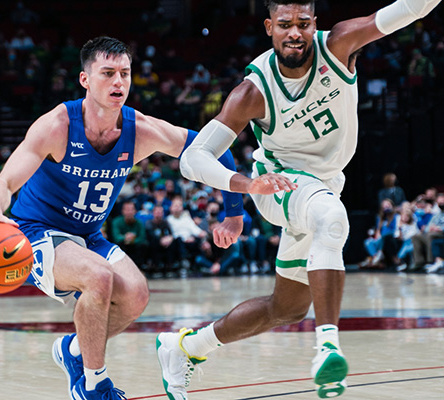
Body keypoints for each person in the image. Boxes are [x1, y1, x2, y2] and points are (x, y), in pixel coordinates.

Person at [0, 36, 290, 400]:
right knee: (98, 277)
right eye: (107, 73)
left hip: (87, 236)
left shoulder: (141, 131)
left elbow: (215, 150)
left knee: (135, 296)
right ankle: (93, 385)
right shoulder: (57, 125)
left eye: (124, 73)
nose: (118, 82)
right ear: (85, 80)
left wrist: (234, 214)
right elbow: (5, 181)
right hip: (36, 232)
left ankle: (73, 351)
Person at [156, 1, 442, 399]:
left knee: (286, 307)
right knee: (333, 218)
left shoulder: (340, 45)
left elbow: (408, 9)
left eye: (303, 24)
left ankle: (185, 347)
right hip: (280, 186)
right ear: (270, 27)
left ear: (314, 25)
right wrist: (244, 185)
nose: (295, 32)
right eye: (286, 24)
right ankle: (328, 348)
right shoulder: (253, 92)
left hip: (325, 183)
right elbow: (193, 158)